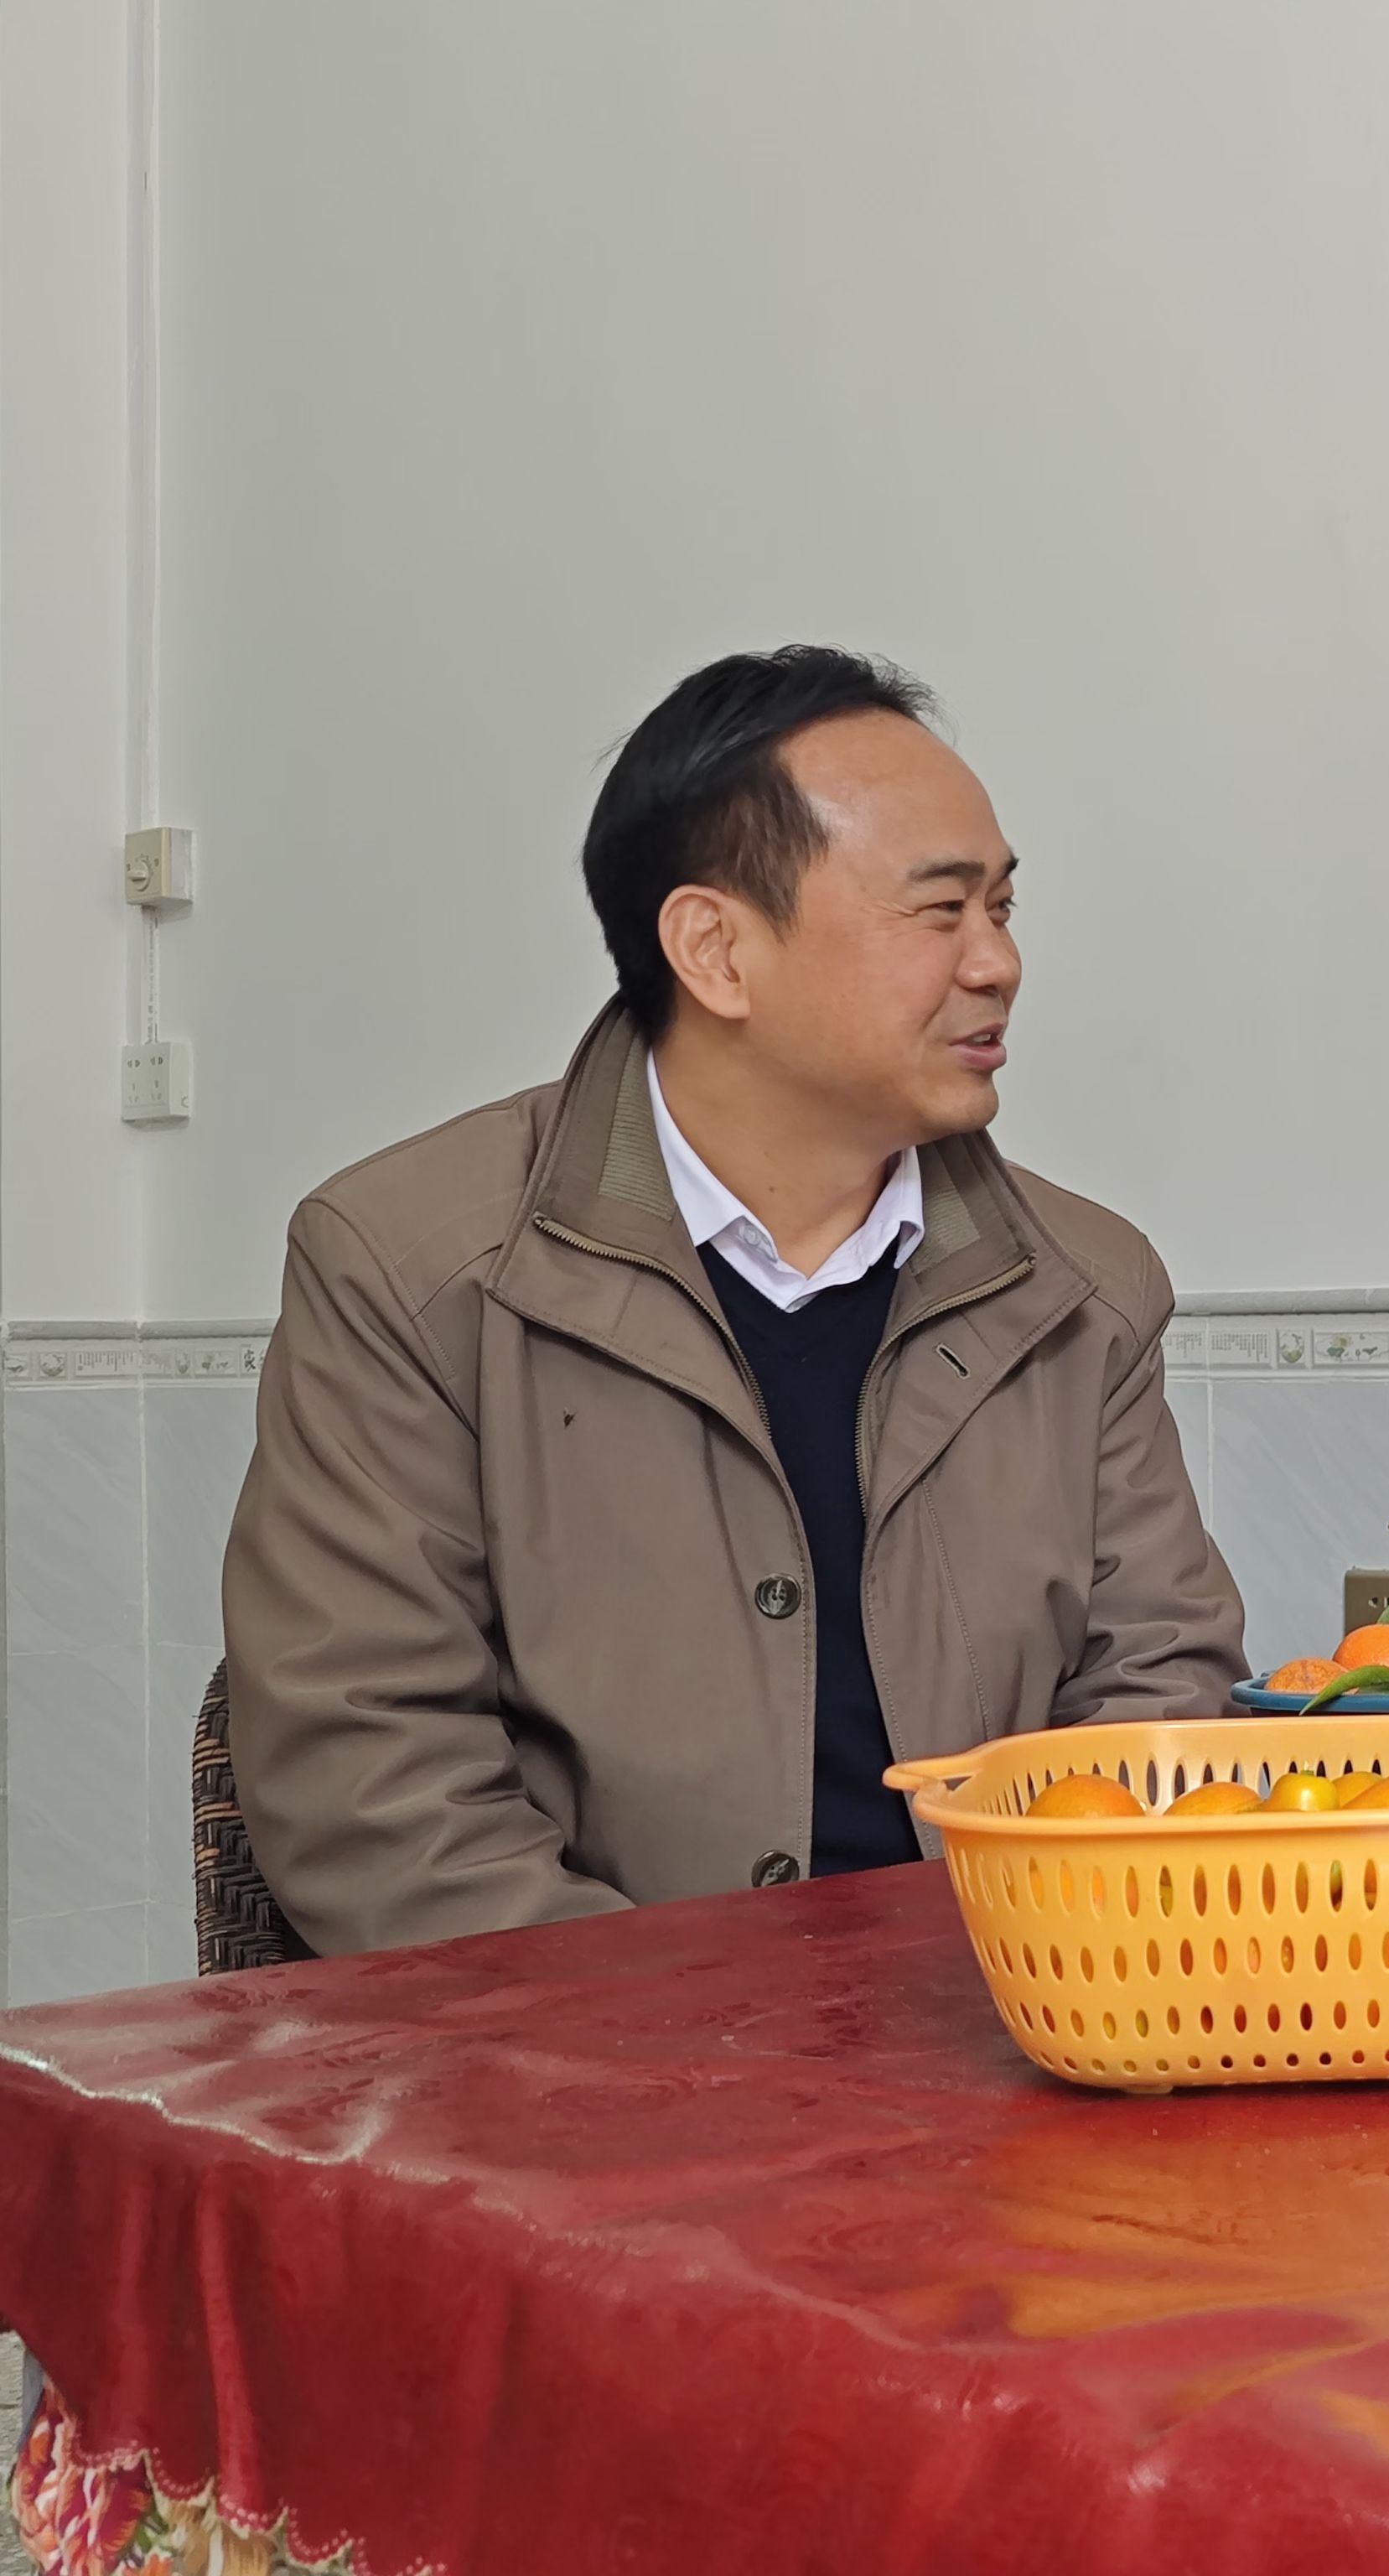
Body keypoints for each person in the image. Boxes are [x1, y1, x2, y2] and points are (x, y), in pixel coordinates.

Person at [224, 647, 1244, 1955]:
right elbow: (372, 1786)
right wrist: (693, 2039)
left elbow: (1160, 1689)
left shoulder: (1085, 1287)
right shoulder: (410, 1267)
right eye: (939, 911)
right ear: (715, 950)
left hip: (1016, 2014)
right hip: (579, 2047)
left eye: (1002, 907)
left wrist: (1037, 1978)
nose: (998, 962)